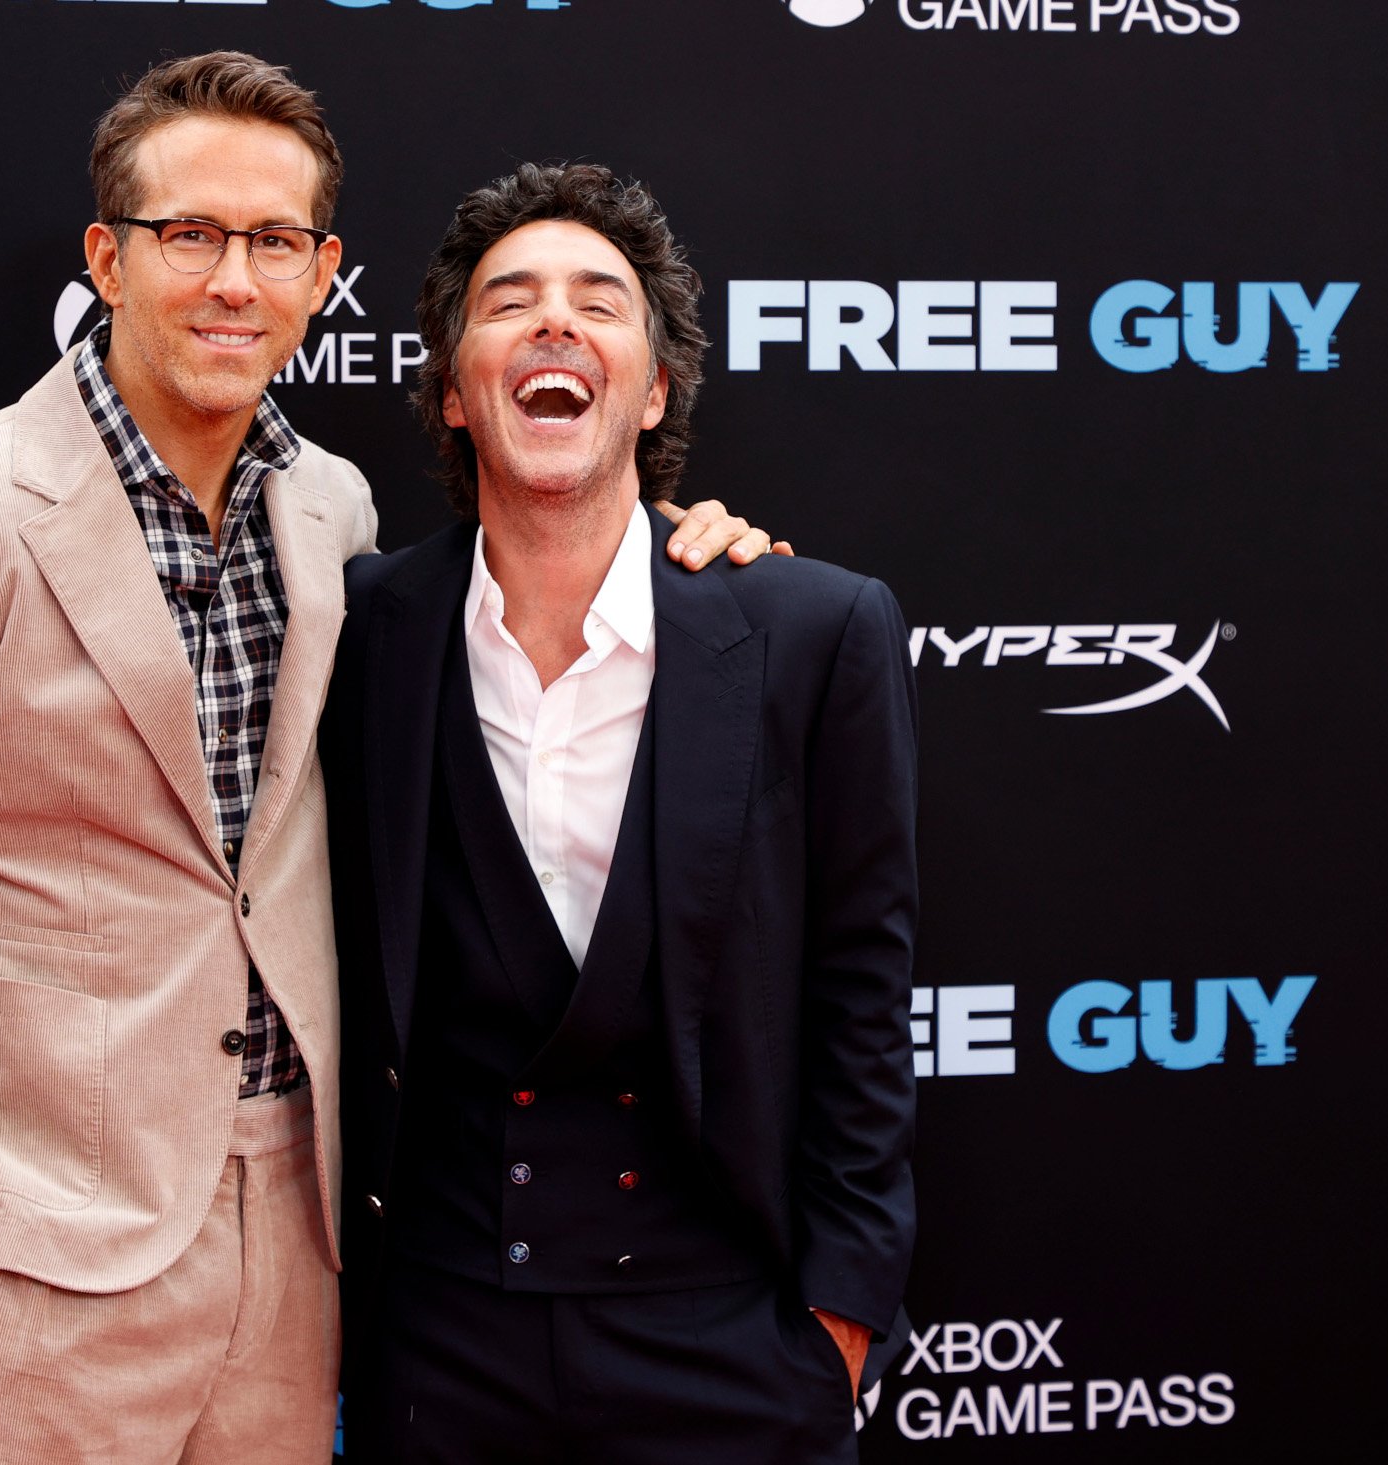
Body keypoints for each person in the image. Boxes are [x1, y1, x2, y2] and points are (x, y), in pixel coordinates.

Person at [0, 55, 771, 1464]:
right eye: (191, 235)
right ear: (110, 259)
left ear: (320, 273)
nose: (233, 279)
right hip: (45, 1267)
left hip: (304, 1254)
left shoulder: (332, 512)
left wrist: (690, 550)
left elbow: (551, 557)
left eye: (273, 242)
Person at [325, 162, 918, 1464]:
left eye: (600, 302)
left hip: (730, 1342)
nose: (554, 322)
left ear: (652, 392)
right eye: (510, 301)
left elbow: (863, 989)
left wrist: (839, 1325)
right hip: (441, 1344)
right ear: (450, 389)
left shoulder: (809, 631)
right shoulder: (357, 628)